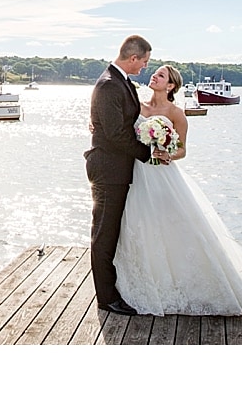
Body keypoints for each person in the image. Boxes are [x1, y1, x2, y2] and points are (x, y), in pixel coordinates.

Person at [113, 64, 242, 316]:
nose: (154, 76)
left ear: (171, 85)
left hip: (162, 174)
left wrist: (167, 153)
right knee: (140, 224)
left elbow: (182, 150)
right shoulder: (137, 106)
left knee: (172, 225)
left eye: (160, 75)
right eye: (155, 73)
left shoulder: (176, 113)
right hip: (137, 172)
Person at [84, 35, 164, 316]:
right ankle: (106, 298)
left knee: (112, 232)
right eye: (144, 62)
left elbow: (122, 125)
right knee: (104, 235)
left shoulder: (122, 82)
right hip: (108, 170)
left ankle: (113, 289)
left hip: (118, 169)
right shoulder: (108, 85)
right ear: (133, 58)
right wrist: (148, 154)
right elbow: (117, 134)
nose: (144, 67)